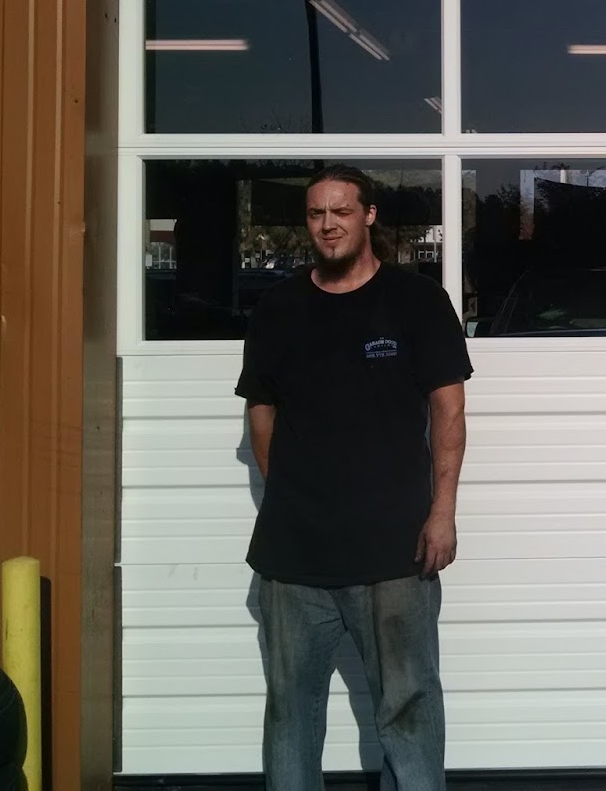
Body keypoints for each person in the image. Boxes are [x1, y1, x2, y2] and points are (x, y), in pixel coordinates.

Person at [236, 165, 472, 791]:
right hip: (294, 558)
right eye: (316, 214)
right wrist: (292, 492)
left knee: (408, 706)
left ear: (369, 215)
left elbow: (449, 412)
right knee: (290, 713)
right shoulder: (278, 308)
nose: (328, 224)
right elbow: (261, 412)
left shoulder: (416, 302)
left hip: (395, 553)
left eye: (341, 211)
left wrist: (442, 513)